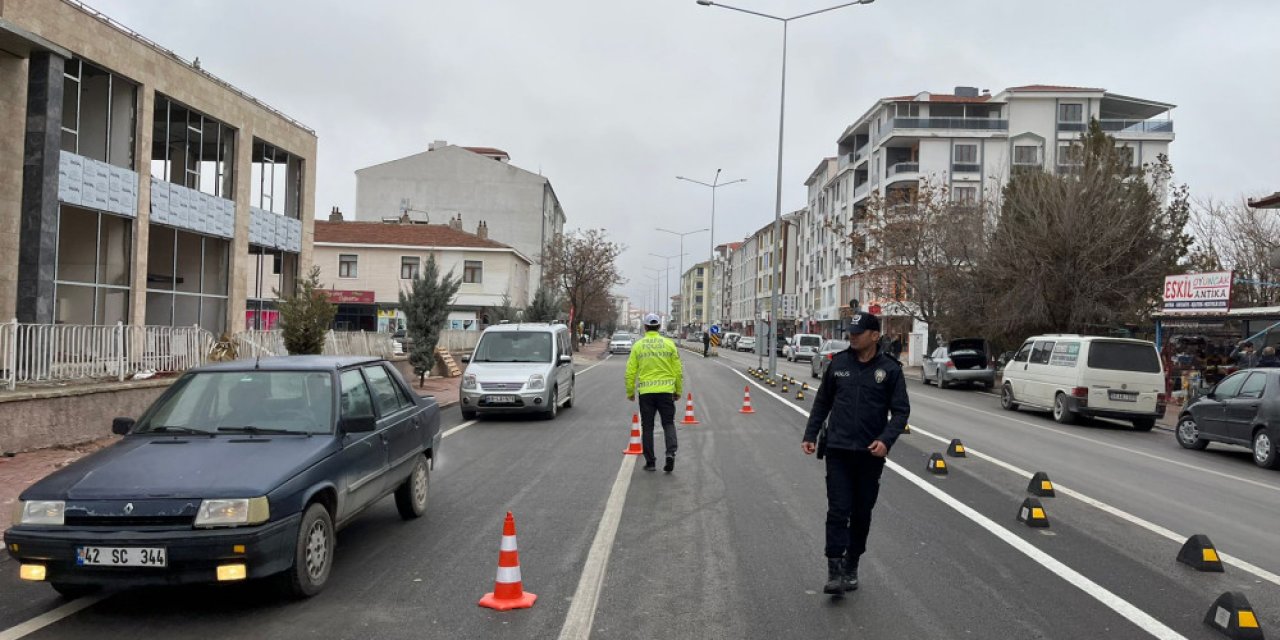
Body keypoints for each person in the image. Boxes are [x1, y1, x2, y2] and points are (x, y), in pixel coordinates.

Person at [801, 311, 909, 596]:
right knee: (838, 510)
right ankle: (834, 569)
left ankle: (852, 564)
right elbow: (822, 402)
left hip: (869, 455)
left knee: (862, 513)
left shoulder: (891, 370)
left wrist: (886, 440)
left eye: (859, 333)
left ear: (875, 336)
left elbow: (900, 413)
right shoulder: (839, 364)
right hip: (837, 450)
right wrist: (810, 435)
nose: (852, 336)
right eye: (851, 332)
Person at [626, 313, 684, 473]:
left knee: (648, 427)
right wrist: (678, 390)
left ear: (645, 327)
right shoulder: (669, 344)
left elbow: (630, 371)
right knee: (668, 423)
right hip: (666, 392)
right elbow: (678, 370)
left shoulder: (638, 345)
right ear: (659, 327)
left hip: (646, 393)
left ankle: (650, 462)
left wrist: (630, 391)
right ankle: (670, 453)